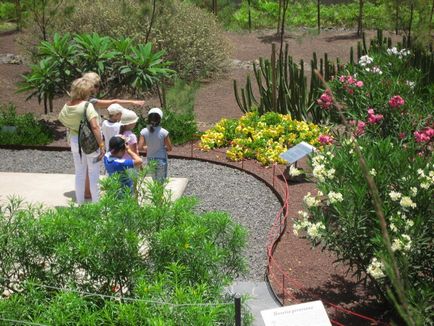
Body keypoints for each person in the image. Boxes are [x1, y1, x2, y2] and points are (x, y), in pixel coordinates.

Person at [82, 72, 144, 198]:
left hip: (80, 137)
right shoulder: (92, 102)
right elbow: (113, 101)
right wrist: (132, 102)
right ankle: (93, 195)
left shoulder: (78, 101)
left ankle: (87, 192)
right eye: (97, 86)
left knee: (84, 167)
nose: (98, 89)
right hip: (94, 139)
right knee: (93, 168)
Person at [58, 77, 105, 204]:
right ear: (85, 92)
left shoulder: (67, 106)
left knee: (79, 172)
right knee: (93, 172)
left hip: (74, 140)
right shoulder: (86, 106)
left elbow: (61, 118)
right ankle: (96, 204)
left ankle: (80, 203)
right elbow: (95, 127)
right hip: (89, 141)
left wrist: (74, 126)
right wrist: (101, 145)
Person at [138, 108, 173, 183]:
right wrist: (163, 148)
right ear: (160, 119)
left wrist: (147, 147)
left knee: (154, 181)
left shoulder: (143, 131)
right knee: (160, 182)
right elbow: (170, 148)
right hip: (161, 158)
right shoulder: (164, 132)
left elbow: (140, 147)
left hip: (150, 159)